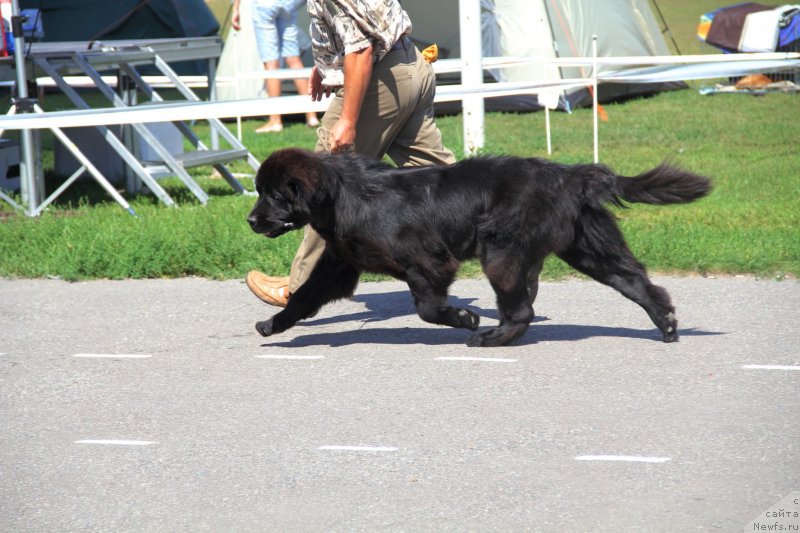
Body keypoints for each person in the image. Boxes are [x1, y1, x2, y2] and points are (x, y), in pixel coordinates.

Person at [245, 0, 455, 306]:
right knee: (444, 180)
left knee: (320, 184)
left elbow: (360, 50)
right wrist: (326, 65)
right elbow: (363, 25)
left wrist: (348, 119)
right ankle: (501, 231)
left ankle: (301, 288)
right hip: (411, 65)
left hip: (379, 78)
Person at [231, 0, 319, 132]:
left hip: (265, 5)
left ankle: (275, 120)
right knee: (293, 59)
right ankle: (311, 116)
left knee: (271, 63)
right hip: (288, 4)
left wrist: (236, 8)